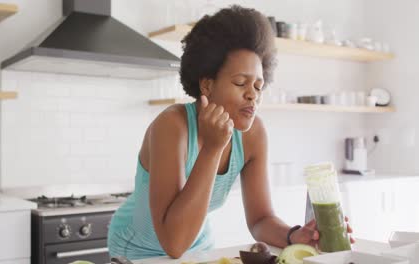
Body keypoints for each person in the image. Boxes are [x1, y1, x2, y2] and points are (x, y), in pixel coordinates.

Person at [108, 5, 354, 260]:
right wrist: (213, 148)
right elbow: (173, 243)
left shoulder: (253, 133)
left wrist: (294, 235)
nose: (252, 94)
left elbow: (260, 219)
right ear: (207, 85)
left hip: (199, 247)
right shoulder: (172, 125)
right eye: (240, 83)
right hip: (137, 252)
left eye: (258, 86)